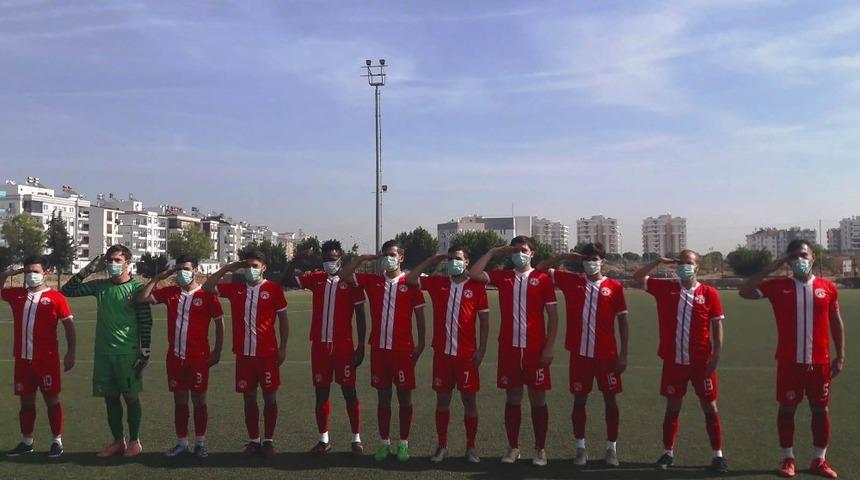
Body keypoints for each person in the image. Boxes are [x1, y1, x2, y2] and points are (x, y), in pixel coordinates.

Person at [739, 239, 844, 479]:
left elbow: (836, 323)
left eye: (804, 255)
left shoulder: (828, 288)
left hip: (819, 363)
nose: (800, 261)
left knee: (821, 409)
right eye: (794, 257)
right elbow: (745, 291)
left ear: (813, 258)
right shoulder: (778, 286)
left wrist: (841, 356)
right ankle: (788, 458)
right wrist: (775, 265)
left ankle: (820, 459)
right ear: (788, 261)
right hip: (789, 362)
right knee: (787, 410)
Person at [632, 250, 728, 473]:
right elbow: (637, 278)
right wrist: (657, 261)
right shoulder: (665, 288)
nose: (684, 266)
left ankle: (718, 455)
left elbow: (717, 324)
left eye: (689, 263)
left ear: (697, 267)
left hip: (701, 362)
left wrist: (717, 354)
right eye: (681, 263)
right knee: (673, 406)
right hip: (674, 361)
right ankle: (668, 452)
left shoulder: (709, 293)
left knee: (710, 407)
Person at [468, 236, 559, 466]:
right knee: (513, 398)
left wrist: (549, 347)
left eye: (523, 250)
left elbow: (554, 317)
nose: (519, 253)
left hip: (535, 349)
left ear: (532, 253)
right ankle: (513, 447)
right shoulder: (503, 276)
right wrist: (493, 251)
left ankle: (540, 449)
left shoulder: (542, 279)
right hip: (509, 348)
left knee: (538, 398)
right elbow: (473, 273)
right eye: (515, 250)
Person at [535, 243, 628, 467]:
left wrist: (623, 354)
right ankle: (580, 448)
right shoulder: (572, 280)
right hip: (580, 355)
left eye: (594, 258)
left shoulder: (614, 287)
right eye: (586, 258)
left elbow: (623, 322)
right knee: (579, 400)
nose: (590, 262)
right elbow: (539, 269)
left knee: (610, 400)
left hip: (607, 355)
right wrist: (565, 255)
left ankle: (611, 448)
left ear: (602, 261)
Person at [61, 245, 152, 458]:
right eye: (110, 260)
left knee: (130, 398)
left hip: (127, 353)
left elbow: (146, 323)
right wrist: (87, 270)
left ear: (128, 263)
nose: (112, 264)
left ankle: (134, 441)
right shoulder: (100, 286)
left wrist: (145, 353)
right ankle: (117, 442)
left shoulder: (138, 289)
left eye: (117, 260)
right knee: (110, 398)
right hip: (103, 353)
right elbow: (67, 291)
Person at [341, 240, 426, 462]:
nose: (388, 258)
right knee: (383, 397)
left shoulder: (410, 283)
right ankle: (385, 443)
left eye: (392, 254)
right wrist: (363, 259)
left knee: (404, 397)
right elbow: (345, 274)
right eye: (385, 255)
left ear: (401, 258)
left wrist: (421, 343)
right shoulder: (373, 281)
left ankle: (404, 444)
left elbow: (420, 316)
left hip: (402, 350)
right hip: (379, 349)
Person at [282, 240, 367, 455]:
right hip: (320, 346)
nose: (330, 263)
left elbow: (360, 315)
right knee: (321, 394)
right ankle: (323, 440)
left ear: (341, 259)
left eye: (333, 259)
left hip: (344, 347)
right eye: (326, 259)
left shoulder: (350, 282)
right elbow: (286, 279)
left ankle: (356, 439)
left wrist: (361, 345)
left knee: (350, 392)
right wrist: (296, 259)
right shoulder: (316, 278)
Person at [406, 246, 489, 464]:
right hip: (442, 355)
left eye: (458, 259)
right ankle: (442, 446)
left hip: (466, 356)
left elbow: (484, 322)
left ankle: (471, 447)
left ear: (467, 261)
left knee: (469, 401)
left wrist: (481, 350)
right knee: (442, 401)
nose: (453, 262)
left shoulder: (477, 287)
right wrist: (431, 260)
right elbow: (411, 279)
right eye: (450, 259)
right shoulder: (437, 283)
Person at [203, 248, 288, 459]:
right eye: (248, 266)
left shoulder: (274, 289)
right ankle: (253, 440)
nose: (250, 270)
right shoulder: (236, 289)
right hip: (244, 355)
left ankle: (268, 441)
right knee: (249, 399)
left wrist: (283, 347)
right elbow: (207, 286)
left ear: (263, 268)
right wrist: (232, 266)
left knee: (270, 399)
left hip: (267, 354)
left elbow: (284, 320)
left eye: (255, 266)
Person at [136, 255, 224, 458]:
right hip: (175, 357)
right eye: (178, 270)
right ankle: (182, 442)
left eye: (185, 269)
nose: (182, 273)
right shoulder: (171, 293)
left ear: (195, 270)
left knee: (199, 401)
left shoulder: (207, 295)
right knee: (180, 401)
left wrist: (217, 351)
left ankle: (200, 443)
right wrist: (159, 277)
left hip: (198, 358)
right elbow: (142, 298)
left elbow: (220, 323)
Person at [1, 257, 76, 458]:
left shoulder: (56, 298)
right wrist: (7, 274)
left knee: (52, 401)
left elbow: (69, 327)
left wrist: (71, 352)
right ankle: (27, 442)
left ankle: (56, 441)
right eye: (27, 272)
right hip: (22, 360)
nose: (30, 275)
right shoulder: (17, 295)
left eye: (34, 271)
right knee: (26, 403)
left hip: (46, 360)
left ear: (46, 273)